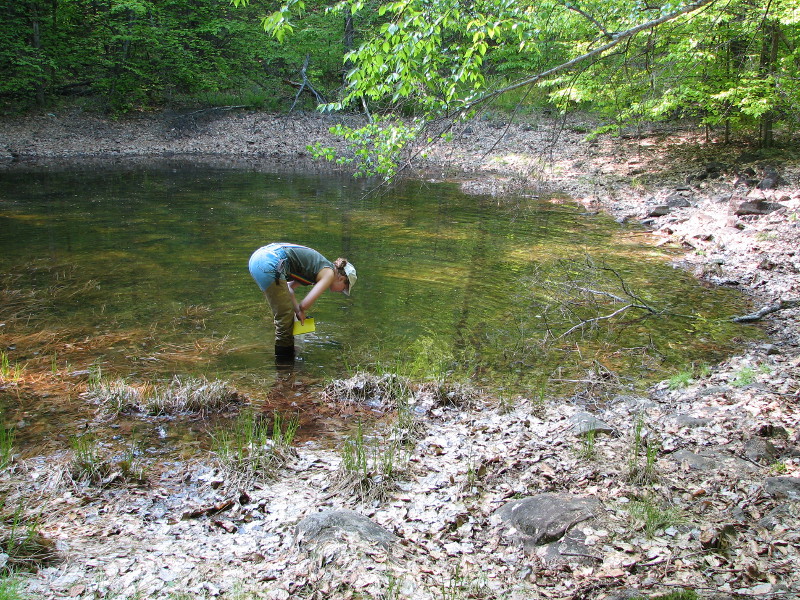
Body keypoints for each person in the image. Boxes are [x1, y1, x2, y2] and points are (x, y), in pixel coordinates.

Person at [248, 243, 357, 359]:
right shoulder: (329, 274)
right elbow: (304, 305)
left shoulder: (318, 267)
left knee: (286, 318)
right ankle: (284, 365)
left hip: (258, 259)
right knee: (284, 323)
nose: (340, 292)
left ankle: (285, 365)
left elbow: (289, 289)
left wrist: (298, 312)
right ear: (342, 278)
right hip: (270, 263)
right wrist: (301, 311)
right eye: (343, 289)